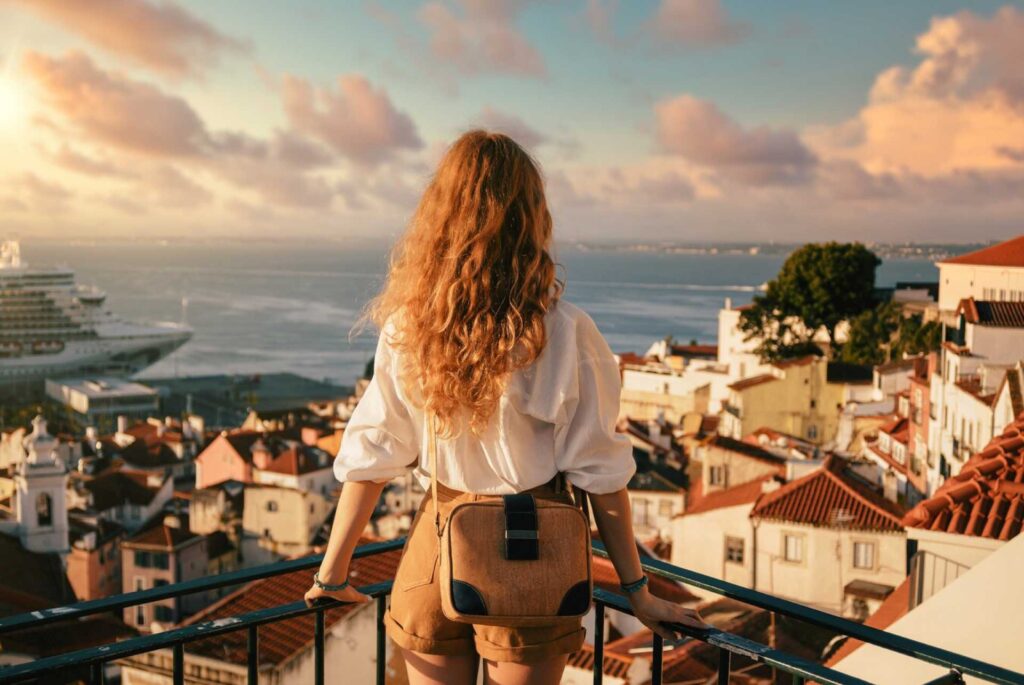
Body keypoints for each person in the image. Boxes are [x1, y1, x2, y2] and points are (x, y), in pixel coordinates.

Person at [304, 130, 707, 685]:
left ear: (440, 218)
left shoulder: (411, 329)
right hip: (532, 553)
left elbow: (374, 454)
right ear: (531, 218)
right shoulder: (567, 334)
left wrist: (332, 571)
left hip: (439, 538)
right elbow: (602, 475)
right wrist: (638, 593)